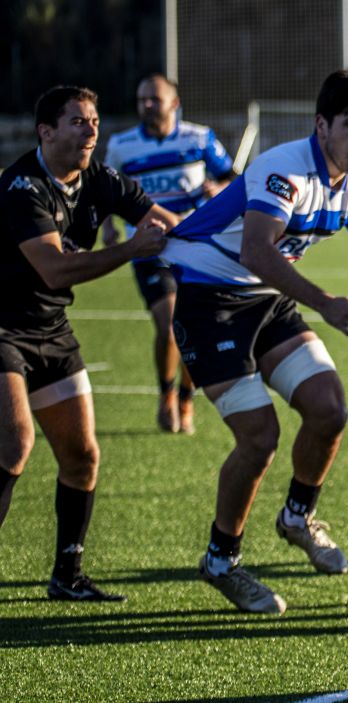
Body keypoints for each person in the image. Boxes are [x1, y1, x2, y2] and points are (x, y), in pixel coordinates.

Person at [161, 69, 348, 615]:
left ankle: (297, 517)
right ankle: (220, 560)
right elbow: (257, 250)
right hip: (210, 302)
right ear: (321, 124)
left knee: (329, 409)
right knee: (260, 438)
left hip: (265, 300)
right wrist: (325, 304)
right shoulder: (284, 169)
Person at [0, 86, 178, 601]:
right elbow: (54, 269)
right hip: (3, 328)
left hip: (51, 329)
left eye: (95, 120)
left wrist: (234, 243)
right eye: (78, 122)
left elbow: (162, 220)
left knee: (82, 456)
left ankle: (67, 576)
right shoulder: (21, 187)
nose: (91, 129)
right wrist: (129, 250)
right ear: (46, 132)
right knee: (15, 448)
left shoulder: (98, 178)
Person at [102, 73, 235, 435]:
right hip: (149, 248)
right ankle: (165, 394)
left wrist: (217, 188)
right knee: (170, 323)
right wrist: (109, 225)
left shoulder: (199, 138)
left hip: (195, 248)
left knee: (193, 327)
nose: (146, 105)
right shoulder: (122, 146)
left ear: (174, 104)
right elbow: (108, 193)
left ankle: (186, 397)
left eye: (154, 99)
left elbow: (235, 179)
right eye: (141, 99)